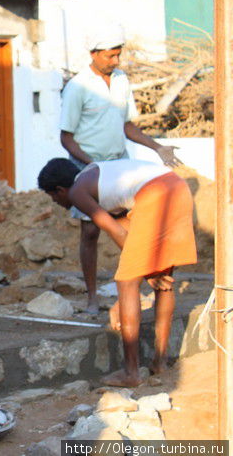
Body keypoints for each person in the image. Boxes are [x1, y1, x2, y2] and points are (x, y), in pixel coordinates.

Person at [38, 158, 196, 387]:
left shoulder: (78, 192)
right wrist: (151, 268)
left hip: (155, 194)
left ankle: (131, 372)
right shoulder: (97, 175)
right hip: (177, 188)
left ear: (61, 190)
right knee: (164, 280)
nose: (56, 201)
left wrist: (144, 270)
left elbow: (114, 230)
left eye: (53, 196)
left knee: (126, 281)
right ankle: (159, 362)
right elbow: (130, 231)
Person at [60, 23, 181, 314]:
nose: (115, 61)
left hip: (119, 163)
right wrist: (92, 166)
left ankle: (134, 288)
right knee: (91, 232)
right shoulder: (77, 86)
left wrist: (158, 148)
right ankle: (92, 297)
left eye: (118, 55)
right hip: (88, 165)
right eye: (110, 56)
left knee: (131, 226)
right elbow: (66, 137)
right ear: (94, 53)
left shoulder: (122, 80)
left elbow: (128, 126)